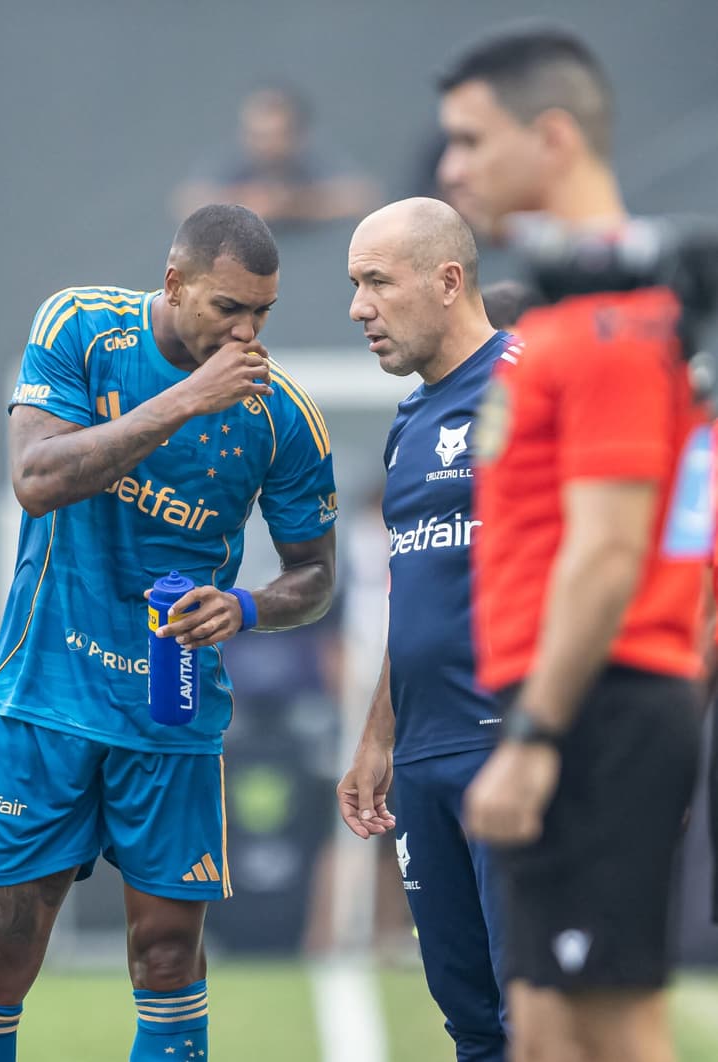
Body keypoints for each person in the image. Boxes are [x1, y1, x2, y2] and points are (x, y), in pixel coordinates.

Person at [0, 203, 337, 1062]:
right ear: (175, 282)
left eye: (263, 312)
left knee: (166, 956)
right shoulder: (78, 326)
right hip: (43, 697)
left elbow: (317, 576)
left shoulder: (281, 417)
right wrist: (187, 400)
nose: (248, 331)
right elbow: (36, 480)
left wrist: (251, 606)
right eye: (229, 307)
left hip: (169, 712)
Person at [436, 25, 710, 1062]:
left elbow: (606, 554)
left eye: (470, 140)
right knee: (547, 1028)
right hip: (575, 696)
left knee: (615, 1026)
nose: (454, 168)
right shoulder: (571, 321)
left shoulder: (608, 333)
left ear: (549, 137)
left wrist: (535, 739)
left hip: (600, 704)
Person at [338, 196, 520, 1062]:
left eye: (376, 282)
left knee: (544, 1020)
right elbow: (421, 594)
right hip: (424, 762)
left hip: (512, 749)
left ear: (449, 281)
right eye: (354, 284)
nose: (358, 307)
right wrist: (379, 737)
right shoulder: (409, 424)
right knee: (473, 1026)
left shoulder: (530, 387)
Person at [171, 84, 380, 227]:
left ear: (298, 134)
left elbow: (362, 196)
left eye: (277, 135)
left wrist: (293, 203)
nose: (267, 145)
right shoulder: (233, 164)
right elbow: (188, 203)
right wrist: (244, 205)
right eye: (258, 135)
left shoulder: (315, 162)